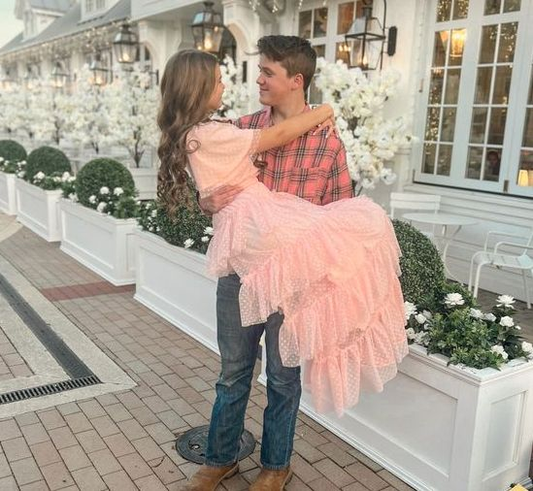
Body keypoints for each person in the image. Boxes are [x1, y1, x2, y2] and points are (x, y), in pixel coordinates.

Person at [158, 39, 408, 491]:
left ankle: (276, 466)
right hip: (242, 273)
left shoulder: (326, 140)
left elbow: (336, 208)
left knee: (282, 376)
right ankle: (220, 459)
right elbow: (212, 181)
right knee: (233, 372)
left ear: (296, 80)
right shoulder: (242, 126)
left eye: (267, 72)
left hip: (294, 279)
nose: (257, 79)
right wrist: (204, 201)